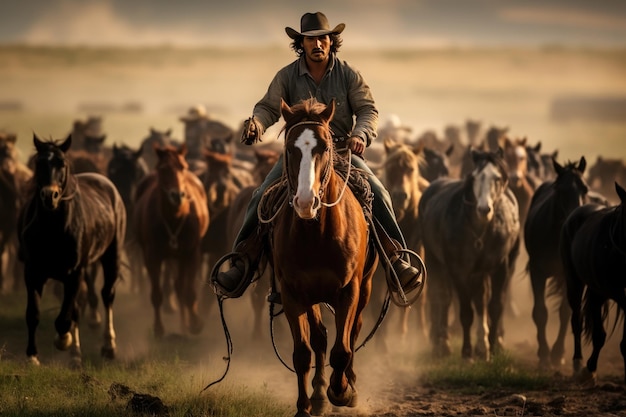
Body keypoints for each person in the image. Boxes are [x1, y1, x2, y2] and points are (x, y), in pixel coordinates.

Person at [212, 11, 423, 298]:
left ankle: (397, 260)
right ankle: (242, 262)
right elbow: (269, 107)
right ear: (301, 44)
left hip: (340, 150)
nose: (317, 44)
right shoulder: (287, 76)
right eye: (310, 39)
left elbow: (367, 111)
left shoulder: (349, 75)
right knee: (260, 196)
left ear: (331, 40)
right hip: (299, 153)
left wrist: (360, 134)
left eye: (322, 38)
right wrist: (257, 124)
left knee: (378, 192)